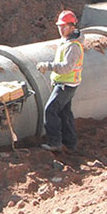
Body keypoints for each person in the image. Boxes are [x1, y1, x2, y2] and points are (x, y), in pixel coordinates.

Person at [36, 10, 84, 152]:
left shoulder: (73, 46)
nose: (61, 29)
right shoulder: (67, 42)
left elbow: (67, 67)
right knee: (64, 113)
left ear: (72, 27)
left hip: (66, 85)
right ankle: (70, 143)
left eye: (64, 26)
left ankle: (54, 142)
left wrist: (48, 66)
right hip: (66, 84)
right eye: (59, 26)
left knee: (50, 110)